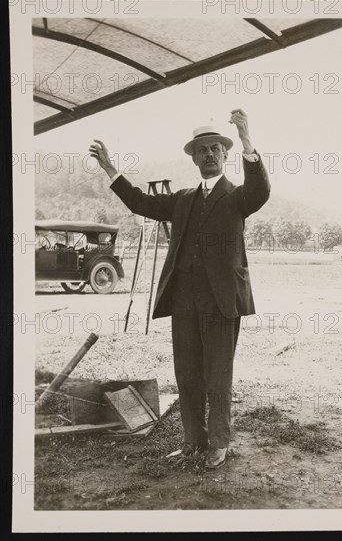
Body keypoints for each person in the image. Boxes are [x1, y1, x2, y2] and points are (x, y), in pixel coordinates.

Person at [89, 109, 270, 469]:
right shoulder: (183, 199)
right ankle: (193, 442)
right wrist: (111, 169)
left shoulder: (237, 197)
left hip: (222, 303)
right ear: (193, 157)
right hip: (184, 300)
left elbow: (261, 191)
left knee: (218, 374)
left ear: (225, 155)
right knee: (187, 373)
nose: (208, 154)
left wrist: (248, 139)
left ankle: (218, 443)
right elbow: (140, 201)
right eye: (201, 150)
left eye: (214, 149)